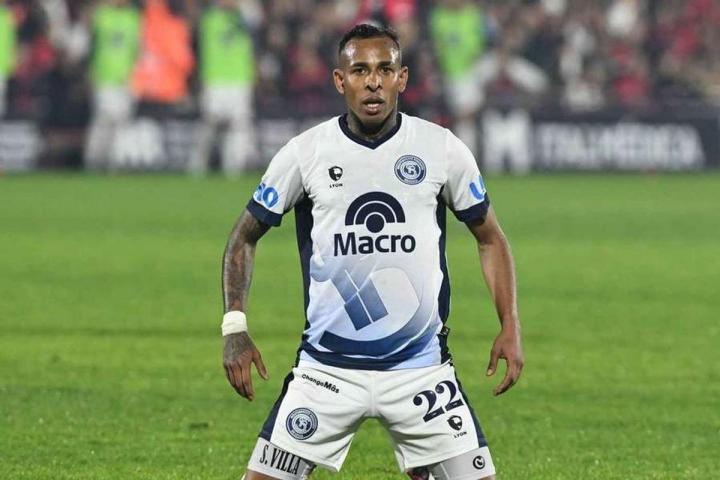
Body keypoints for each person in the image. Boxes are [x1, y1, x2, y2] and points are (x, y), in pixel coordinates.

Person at [221, 24, 524, 480]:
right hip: (326, 373)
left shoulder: (440, 148)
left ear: (402, 78)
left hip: (420, 372)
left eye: (385, 69)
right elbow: (243, 237)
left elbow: (490, 238)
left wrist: (510, 324)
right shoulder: (305, 153)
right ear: (340, 80)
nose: (373, 82)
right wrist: (234, 328)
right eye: (360, 70)